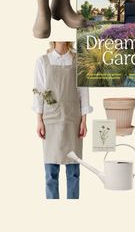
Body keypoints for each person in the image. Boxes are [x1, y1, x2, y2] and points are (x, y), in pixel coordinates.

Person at [32, 41, 93, 199]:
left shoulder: (78, 61)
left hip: (73, 119)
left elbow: (83, 92)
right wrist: (39, 120)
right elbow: (38, 92)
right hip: (50, 119)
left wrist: (84, 120)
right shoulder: (42, 61)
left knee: (73, 173)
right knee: (51, 174)